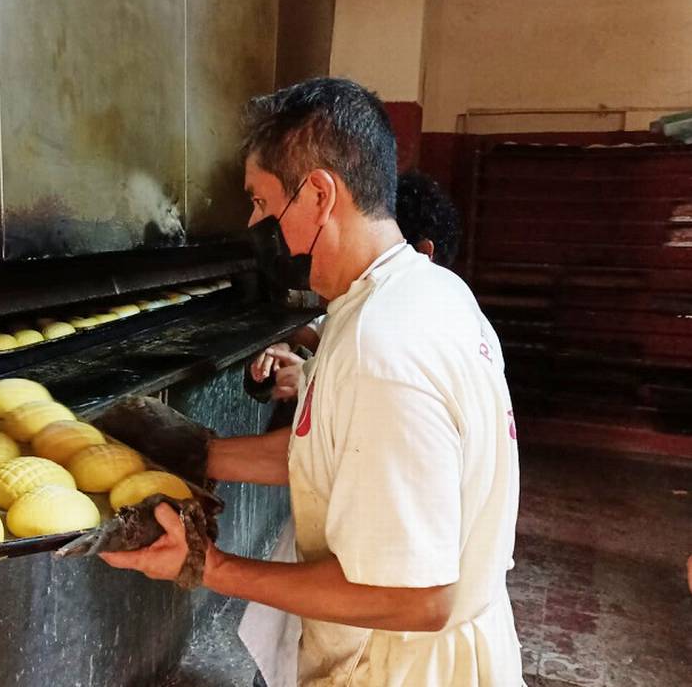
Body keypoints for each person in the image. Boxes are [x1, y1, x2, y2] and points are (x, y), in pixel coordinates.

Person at [100, 78, 522, 686]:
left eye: (263, 204)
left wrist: (209, 565)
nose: (254, 223)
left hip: (398, 668)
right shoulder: (425, 295)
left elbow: (418, 598)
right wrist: (198, 453)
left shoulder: (385, 348)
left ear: (320, 195)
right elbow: (339, 451)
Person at [250, 169, 463, 402]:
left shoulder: (409, 334)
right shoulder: (374, 299)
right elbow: (319, 331)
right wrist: (284, 345)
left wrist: (314, 382)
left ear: (423, 252)